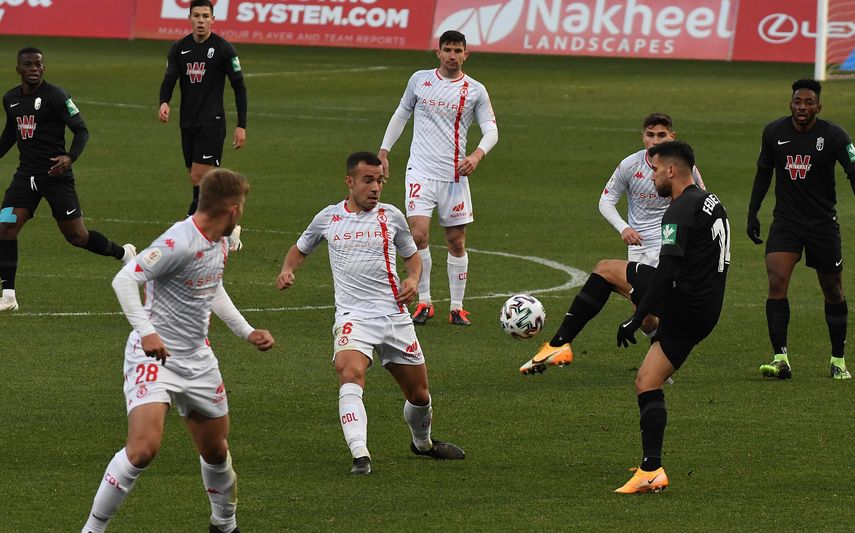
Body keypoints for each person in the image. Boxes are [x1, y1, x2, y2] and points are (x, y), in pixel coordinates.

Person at [61, 169, 274, 533]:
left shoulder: (223, 239)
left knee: (216, 451)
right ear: (231, 208)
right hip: (153, 357)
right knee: (143, 449)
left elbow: (212, 286)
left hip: (198, 360)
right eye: (240, 207)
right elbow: (125, 279)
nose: (241, 213)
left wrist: (246, 332)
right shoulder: (178, 241)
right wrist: (146, 332)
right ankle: (90, 532)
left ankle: (224, 525)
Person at [525, 142, 730, 493]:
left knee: (606, 270)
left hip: (683, 300)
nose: (650, 177)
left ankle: (560, 344)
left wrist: (637, 318)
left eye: (654, 170)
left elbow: (666, 271)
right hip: (706, 311)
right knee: (647, 382)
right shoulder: (712, 201)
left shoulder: (679, 210)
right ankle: (652, 471)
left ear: (670, 170)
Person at [276, 151, 464, 475]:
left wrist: (413, 279)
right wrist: (287, 269)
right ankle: (360, 454)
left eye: (379, 181)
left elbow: (412, 256)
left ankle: (423, 443)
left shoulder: (391, 216)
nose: (375, 187)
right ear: (349, 182)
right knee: (349, 373)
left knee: (419, 395)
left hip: (394, 316)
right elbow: (300, 248)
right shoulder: (329, 218)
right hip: (353, 317)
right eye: (368, 181)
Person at [0, 47, 135, 312]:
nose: (34, 69)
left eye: (38, 64)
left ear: (43, 68)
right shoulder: (11, 99)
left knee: (76, 237)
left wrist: (69, 158)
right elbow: (9, 134)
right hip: (25, 177)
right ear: (19, 69)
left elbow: (81, 130)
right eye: (28, 65)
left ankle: (124, 253)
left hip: (55, 177)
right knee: (5, 228)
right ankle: (8, 296)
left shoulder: (56, 96)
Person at [378, 30, 498, 326]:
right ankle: (424, 302)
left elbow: (492, 129)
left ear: (466, 55)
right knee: (418, 234)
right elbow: (401, 114)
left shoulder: (474, 90)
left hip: (454, 176)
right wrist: (383, 151)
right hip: (420, 171)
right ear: (438, 53)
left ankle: (457, 307)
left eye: (458, 51)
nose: (452, 56)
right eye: (447, 50)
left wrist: (476, 156)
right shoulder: (419, 80)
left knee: (456, 241)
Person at [747, 78, 855, 381]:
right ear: (790, 104)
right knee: (776, 280)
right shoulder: (774, 132)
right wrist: (753, 212)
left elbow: (853, 170)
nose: (802, 107)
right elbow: (763, 172)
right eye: (798, 101)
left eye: (809, 102)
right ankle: (780, 358)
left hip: (822, 224)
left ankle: (838, 360)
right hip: (786, 222)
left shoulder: (834, 135)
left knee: (832, 289)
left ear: (819, 107)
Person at [599, 113, 705, 342]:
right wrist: (623, 228)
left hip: (671, 243)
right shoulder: (630, 165)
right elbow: (605, 201)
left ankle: (662, 362)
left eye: (661, 135)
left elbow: (700, 201)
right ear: (643, 137)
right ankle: (660, 354)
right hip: (639, 247)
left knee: (667, 305)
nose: (655, 141)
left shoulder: (684, 167)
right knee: (646, 317)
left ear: (672, 136)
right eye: (650, 135)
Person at [158, 0, 247, 251]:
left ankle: (191, 231)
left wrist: (241, 125)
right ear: (189, 17)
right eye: (196, 15)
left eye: (205, 16)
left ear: (212, 19)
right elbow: (169, 79)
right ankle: (229, 228)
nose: (200, 20)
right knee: (199, 180)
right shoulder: (179, 48)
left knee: (200, 177)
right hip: (188, 122)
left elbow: (239, 87)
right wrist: (164, 102)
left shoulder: (223, 49)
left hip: (212, 122)